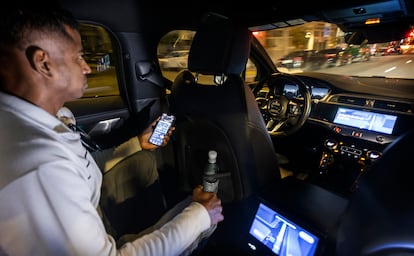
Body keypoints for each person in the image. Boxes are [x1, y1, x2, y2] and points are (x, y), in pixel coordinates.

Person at [0, 4, 224, 256]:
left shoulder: (52, 115)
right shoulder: (41, 169)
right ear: (43, 63)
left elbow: (82, 164)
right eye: (78, 56)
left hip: (91, 209)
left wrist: (138, 143)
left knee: (143, 160)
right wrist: (199, 216)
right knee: (207, 216)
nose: (86, 67)